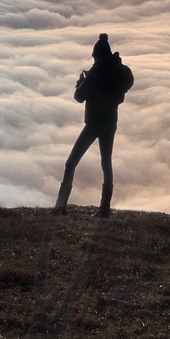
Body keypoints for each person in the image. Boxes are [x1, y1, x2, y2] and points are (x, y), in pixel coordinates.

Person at [53, 33, 134, 218]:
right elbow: (126, 84)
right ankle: (104, 209)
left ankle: (60, 206)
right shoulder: (118, 70)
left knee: (71, 163)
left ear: (97, 55)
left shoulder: (96, 72)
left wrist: (81, 83)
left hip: (93, 124)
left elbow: (79, 97)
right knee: (106, 164)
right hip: (111, 123)